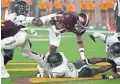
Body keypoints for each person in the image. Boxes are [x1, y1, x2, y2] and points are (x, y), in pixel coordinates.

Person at [1, 1, 45, 78]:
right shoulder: (17, 17)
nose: (27, 12)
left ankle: (2, 73)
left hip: (18, 37)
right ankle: (45, 63)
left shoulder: (10, 16)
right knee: (27, 54)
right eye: (25, 10)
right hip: (22, 36)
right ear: (20, 10)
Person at [37, 52, 113, 78]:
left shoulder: (58, 70)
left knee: (97, 71)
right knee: (88, 60)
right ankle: (106, 59)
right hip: (76, 65)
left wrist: (41, 69)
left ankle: (113, 65)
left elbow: (50, 74)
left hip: (79, 73)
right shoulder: (62, 56)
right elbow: (59, 53)